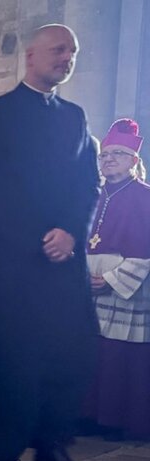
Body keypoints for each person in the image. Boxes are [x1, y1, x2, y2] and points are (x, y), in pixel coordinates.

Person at [0, 24, 100, 461]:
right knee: (15, 357)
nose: (68, 57)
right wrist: (39, 239)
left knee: (70, 353)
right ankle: (4, 450)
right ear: (30, 55)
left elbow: (89, 184)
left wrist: (70, 233)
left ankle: (53, 447)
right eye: (59, 48)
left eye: (74, 51)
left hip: (65, 266)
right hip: (15, 264)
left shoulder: (76, 117)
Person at [85, 119, 150, 440]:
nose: (108, 159)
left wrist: (111, 279)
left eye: (118, 154)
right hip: (87, 287)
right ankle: (88, 416)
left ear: (135, 161)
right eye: (105, 155)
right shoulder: (92, 195)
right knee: (93, 352)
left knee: (120, 356)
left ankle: (119, 421)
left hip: (128, 288)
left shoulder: (145, 197)